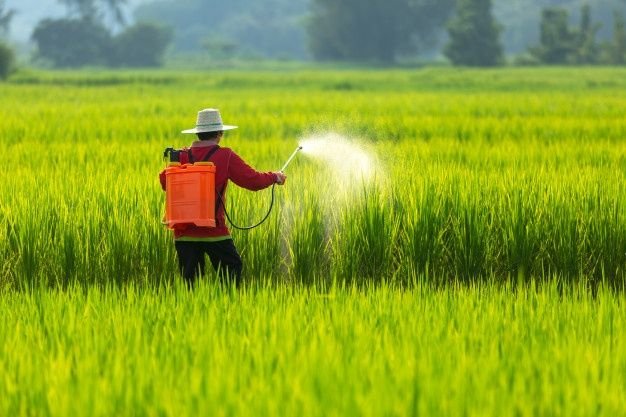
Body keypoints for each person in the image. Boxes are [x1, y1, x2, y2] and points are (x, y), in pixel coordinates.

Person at [159, 108, 286, 287]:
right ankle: (227, 309)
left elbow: (165, 182)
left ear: (198, 133)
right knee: (232, 270)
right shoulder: (225, 155)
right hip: (213, 231)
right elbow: (252, 181)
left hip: (184, 232)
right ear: (220, 133)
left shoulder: (179, 156)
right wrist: (275, 176)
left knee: (190, 285)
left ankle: (192, 313)